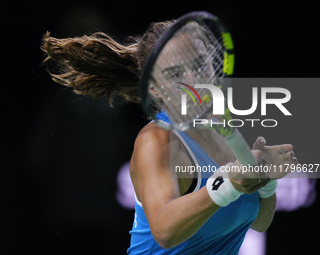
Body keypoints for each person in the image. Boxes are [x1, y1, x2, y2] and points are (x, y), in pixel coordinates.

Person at [41, 19, 297, 254]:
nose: (193, 81)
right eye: (175, 74)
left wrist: (266, 179)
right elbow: (164, 231)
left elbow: (259, 223)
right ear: (153, 87)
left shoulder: (227, 126)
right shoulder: (156, 140)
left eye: (199, 65)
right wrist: (230, 182)